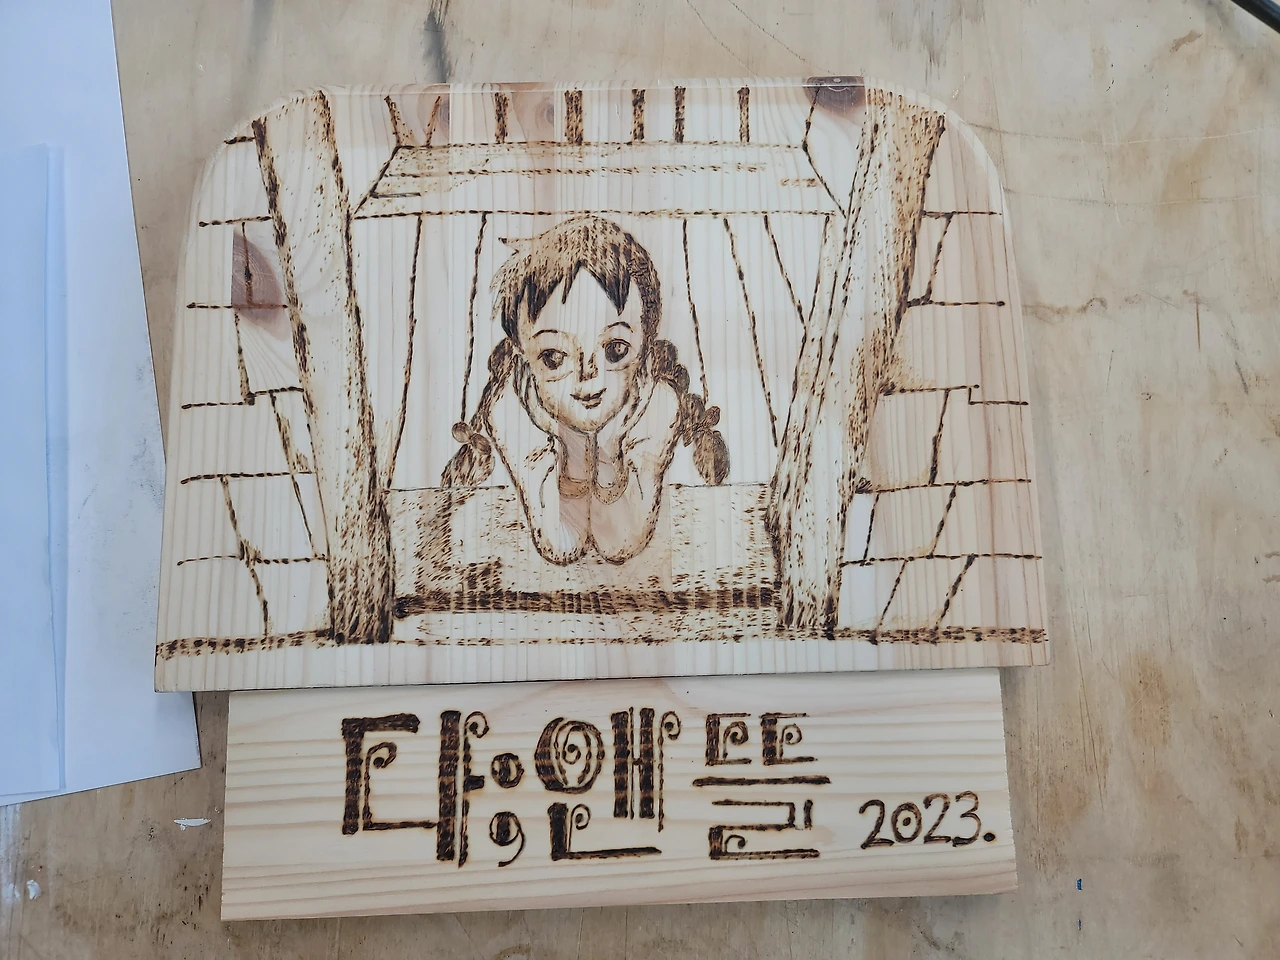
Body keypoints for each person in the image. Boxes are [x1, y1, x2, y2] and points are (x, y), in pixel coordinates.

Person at [443, 215, 727, 565]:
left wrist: (610, 443)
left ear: (644, 345)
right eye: (553, 357)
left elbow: (620, 542)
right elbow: (560, 545)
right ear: (523, 355)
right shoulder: (511, 409)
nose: (588, 378)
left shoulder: (658, 404)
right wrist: (568, 451)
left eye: (616, 350)